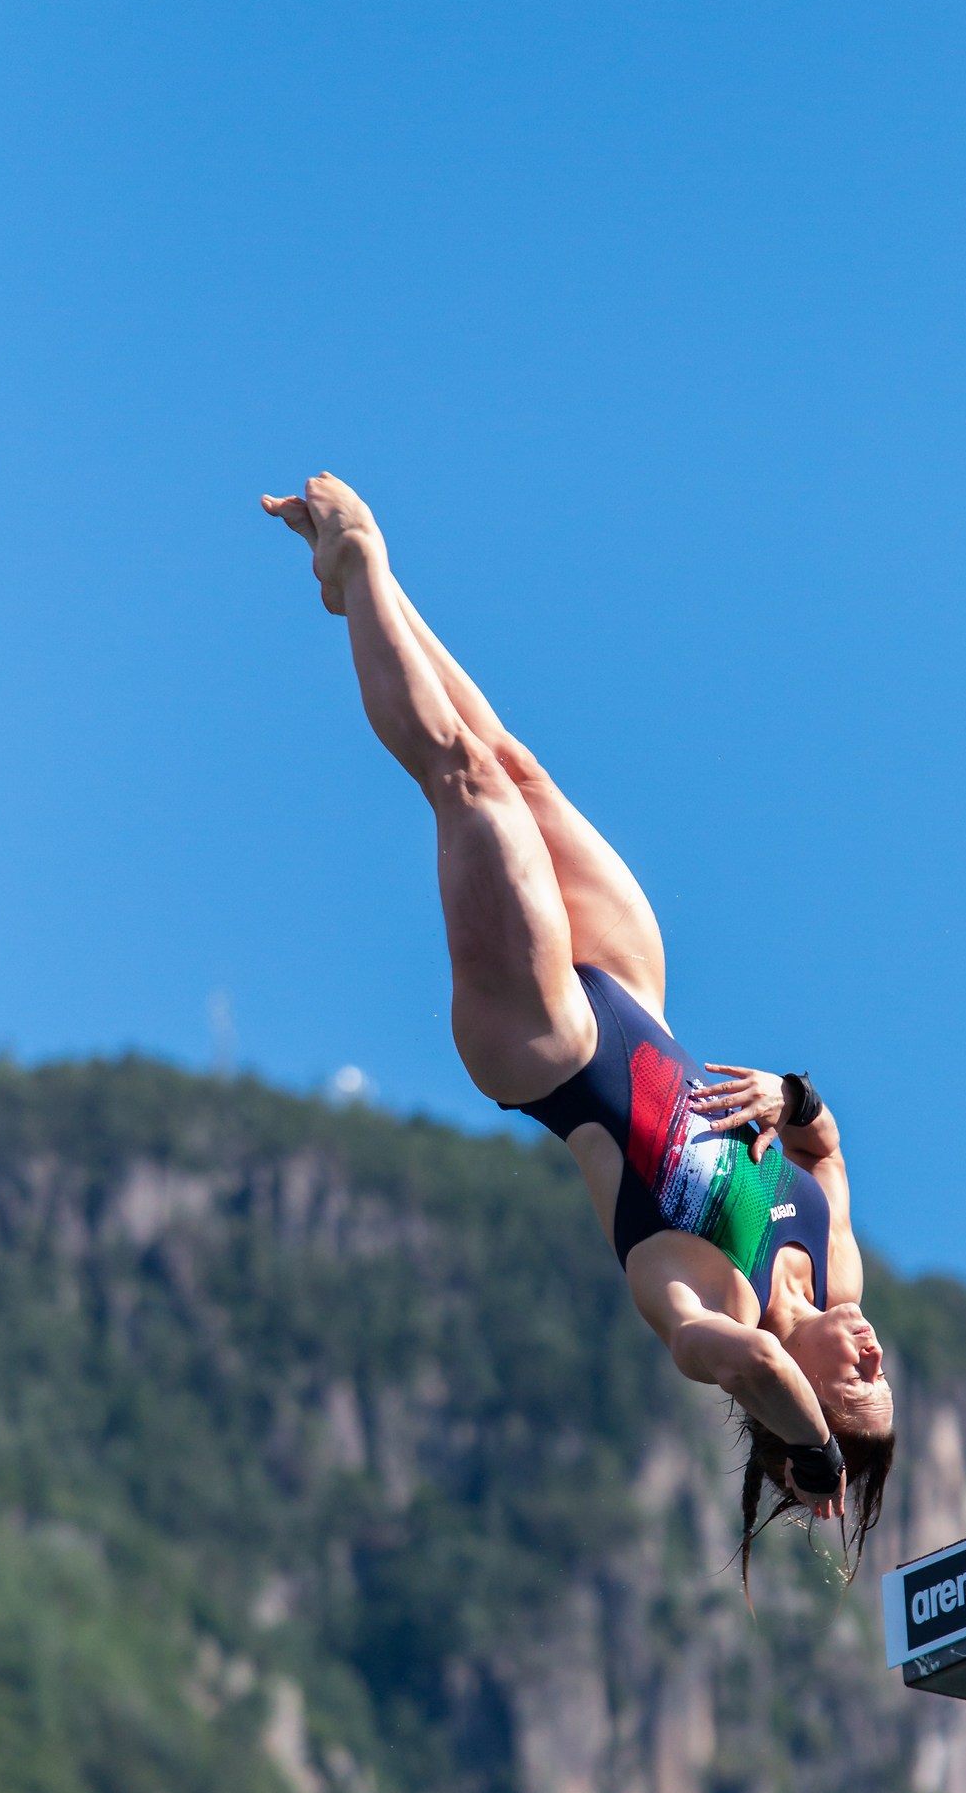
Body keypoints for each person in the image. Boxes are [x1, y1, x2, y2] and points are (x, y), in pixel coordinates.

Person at [263, 474, 894, 1582]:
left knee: (468, 789)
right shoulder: (831, 1263)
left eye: (860, 1389)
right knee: (514, 764)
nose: (875, 1356)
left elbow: (747, 1361)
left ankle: (359, 560)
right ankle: (359, 586)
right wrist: (794, 1100)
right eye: (884, 1377)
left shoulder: (701, 1312)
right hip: (636, 995)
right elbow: (824, 1145)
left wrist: (809, 1449)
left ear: (804, 1417)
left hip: (550, 1049)